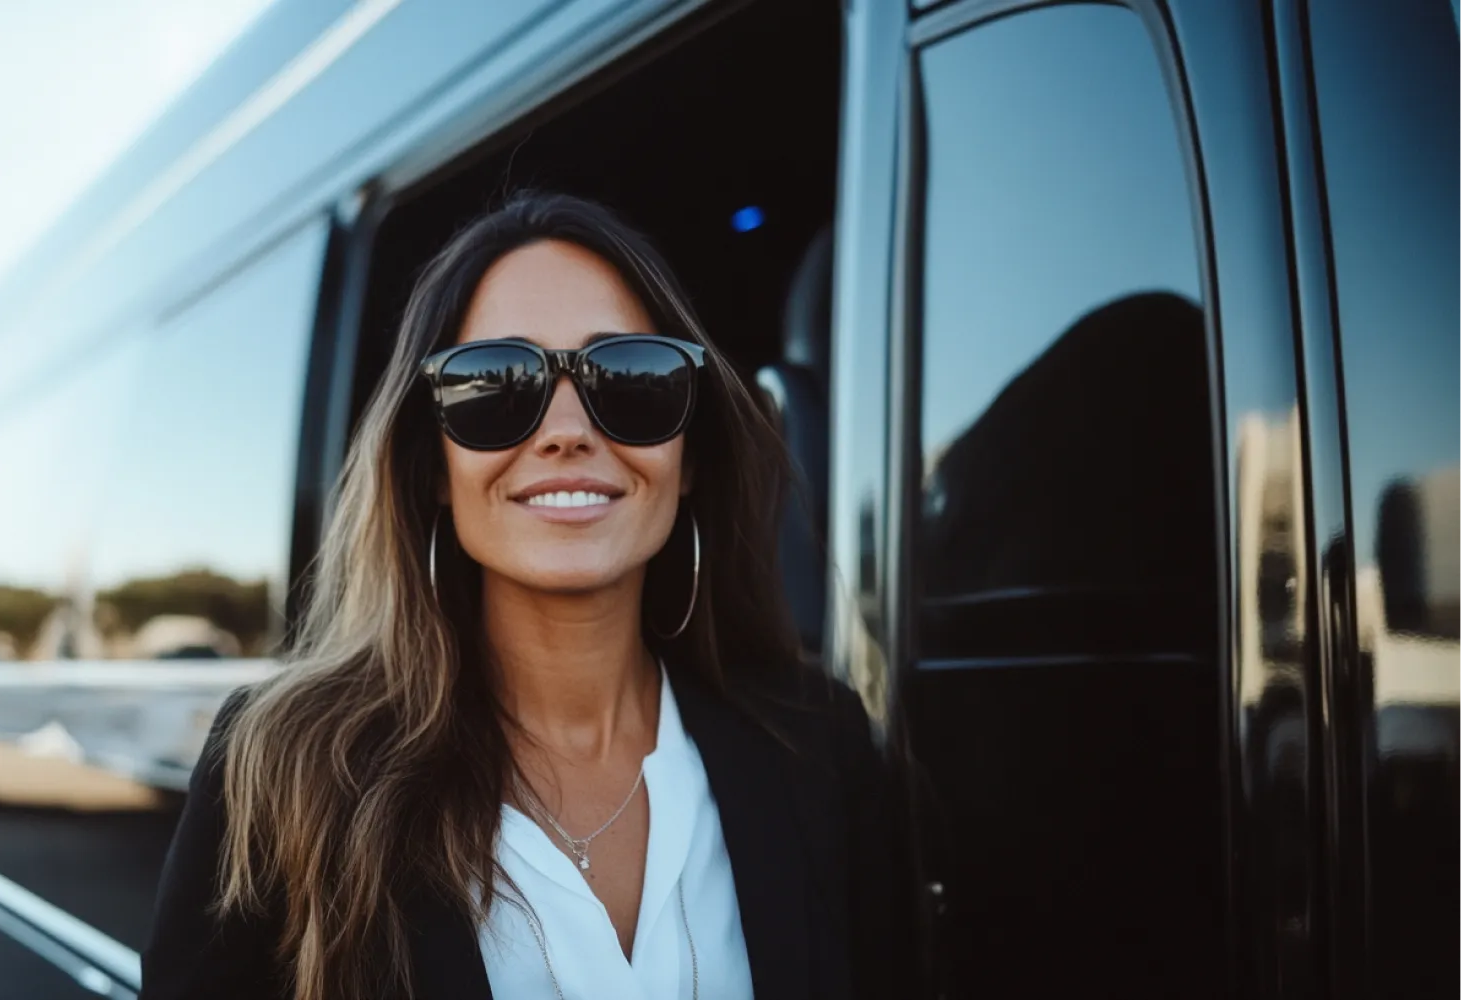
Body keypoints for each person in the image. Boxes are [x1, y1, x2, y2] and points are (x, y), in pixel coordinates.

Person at [140, 191, 911, 1000]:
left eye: (631, 376)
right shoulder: (285, 766)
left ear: (688, 458)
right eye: (493, 385)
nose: (566, 430)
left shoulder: (818, 747)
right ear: (434, 469)